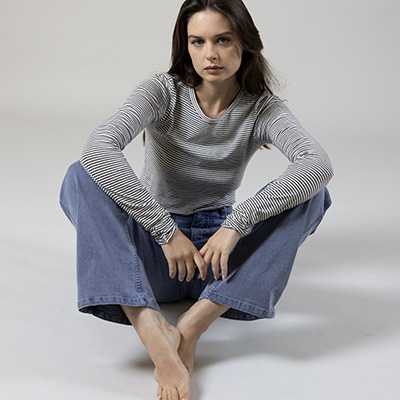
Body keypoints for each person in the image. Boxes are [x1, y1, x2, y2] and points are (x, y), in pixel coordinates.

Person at [60, 0, 333, 399]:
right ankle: (149, 324)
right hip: (155, 253)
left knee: (314, 194)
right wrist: (166, 232)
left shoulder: (262, 108)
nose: (211, 54)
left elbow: (317, 163)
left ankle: (192, 326)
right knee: (79, 175)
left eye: (223, 40)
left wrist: (236, 223)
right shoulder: (162, 91)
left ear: (245, 42)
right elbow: (98, 149)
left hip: (218, 262)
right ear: (184, 46)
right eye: (198, 41)